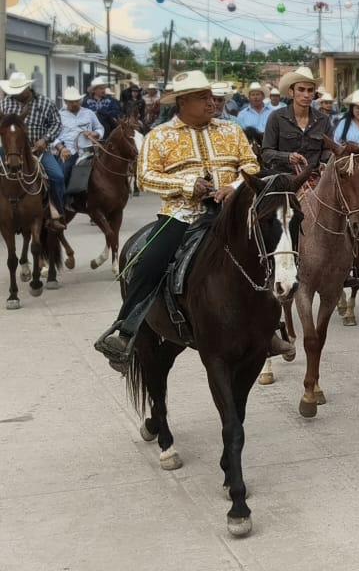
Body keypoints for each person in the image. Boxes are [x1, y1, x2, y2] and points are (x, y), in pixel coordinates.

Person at [93, 70, 293, 369]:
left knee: (274, 249)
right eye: (202, 98)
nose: (211, 102)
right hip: (183, 214)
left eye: (211, 96)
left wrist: (234, 187)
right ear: (183, 102)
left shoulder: (230, 130)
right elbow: (145, 177)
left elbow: (251, 164)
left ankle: (269, 329)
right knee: (151, 258)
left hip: (232, 213)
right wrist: (188, 186)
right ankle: (126, 328)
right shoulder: (160, 136)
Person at [0, 71, 66, 229]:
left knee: (57, 177)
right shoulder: (4, 104)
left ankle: (56, 215)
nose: (14, 94)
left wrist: (45, 139)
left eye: (18, 91)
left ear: (27, 88)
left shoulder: (45, 102)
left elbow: (57, 124)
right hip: (10, 150)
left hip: (39, 151)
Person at [261, 67, 332, 176]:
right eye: (301, 89)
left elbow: (328, 150)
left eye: (310, 90)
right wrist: (288, 157)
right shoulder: (276, 117)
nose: (306, 95)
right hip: (283, 177)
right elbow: (266, 153)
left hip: (314, 177)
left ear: (314, 93)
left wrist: (323, 164)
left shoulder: (324, 120)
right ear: (291, 92)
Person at [55, 86, 105, 212]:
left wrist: (95, 134)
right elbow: (53, 136)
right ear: (65, 102)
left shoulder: (89, 113)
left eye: (76, 101)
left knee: (106, 171)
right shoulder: (59, 116)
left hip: (88, 150)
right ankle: (63, 201)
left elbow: (100, 128)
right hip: (69, 151)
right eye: (71, 102)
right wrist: (61, 148)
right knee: (62, 174)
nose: (74, 104)